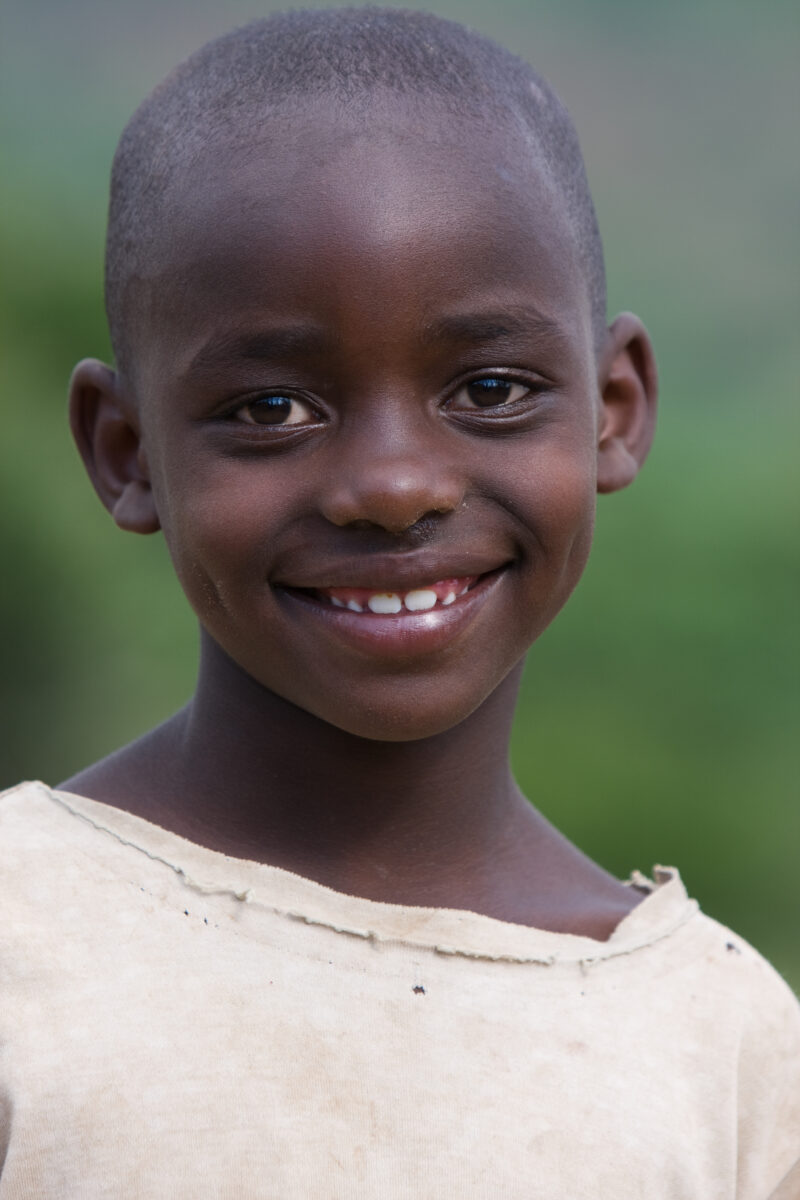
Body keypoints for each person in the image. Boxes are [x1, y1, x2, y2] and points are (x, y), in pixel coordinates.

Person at [2, 8, 798, 1197]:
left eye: (488, 387)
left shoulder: (723, 1043)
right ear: (123, 451)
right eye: (270, 409)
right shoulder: (29, 947)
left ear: (613, 409)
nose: (391, 488)